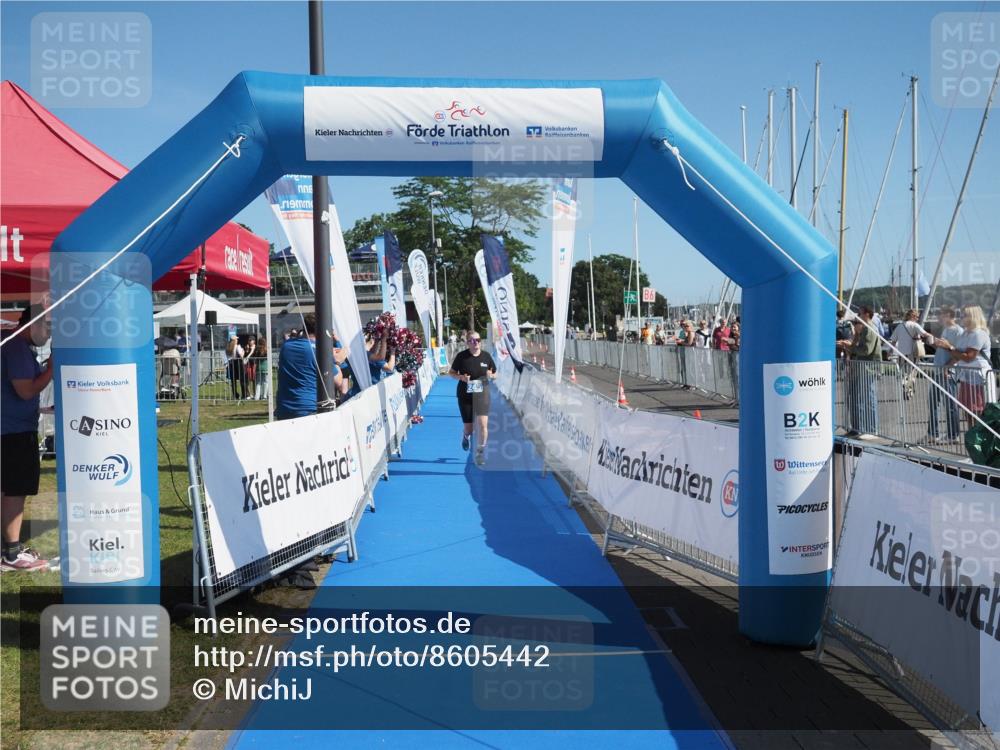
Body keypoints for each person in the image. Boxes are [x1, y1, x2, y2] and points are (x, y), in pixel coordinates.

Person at [1, 306, 52, 572]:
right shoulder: (17, 347)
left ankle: (9, 550)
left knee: (8, 490)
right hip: (14, 433)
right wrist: (52, 368)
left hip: (9, 430)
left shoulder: (11, 344)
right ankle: (11, 554)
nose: (49, 334)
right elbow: (25, 390)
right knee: (14, 491)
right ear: (33, 324)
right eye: (47, 327)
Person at [275, 313, 343, 420]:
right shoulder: (319, 351)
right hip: (308, 410)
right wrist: (336, 361)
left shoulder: (286, 346)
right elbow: (338, 381)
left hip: (284, 409)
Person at [936, 305, 995, 422]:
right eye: (961, 314)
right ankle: (971, 438)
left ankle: (978, 438)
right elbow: (958, 355)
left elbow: (968, 357)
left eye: (964, 315)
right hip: (968, 377)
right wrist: (948, 366)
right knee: (968, 410)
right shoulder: (966, 333)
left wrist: (949, 347)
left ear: (973, 317)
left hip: (979, 378)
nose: (961, 317)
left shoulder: (979, 334)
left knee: (978, 410)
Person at [449, 331, 497, 465]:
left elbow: (495, 373)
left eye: (478, 339)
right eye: (472, 340)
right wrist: (461, 378)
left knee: (483, 425)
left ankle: (480, 452)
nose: (475, 342)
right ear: (467, 343)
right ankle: (465, 436)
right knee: (470, 428)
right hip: (465, 395)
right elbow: (451, 373)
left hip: (482, 395)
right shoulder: (461, 357)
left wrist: (491, 375)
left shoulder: (486, 356)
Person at [836, 306, 881, 439]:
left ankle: (872, 430)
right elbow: (858, 347)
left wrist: (849, 346)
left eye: (860, 314)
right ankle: (856, 428)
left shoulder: (870, 328)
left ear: (867, 314)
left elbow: (866, 350)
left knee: (868, 398)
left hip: (868, 368)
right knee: (855, 397)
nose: (857, 317)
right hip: (859, 367)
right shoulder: (862, 330)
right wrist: (853, 339)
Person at [927, 307, 963, 443]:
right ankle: (932, 434)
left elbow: (958, 353)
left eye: (940, 315)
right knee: (932, 403)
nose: (938, 317)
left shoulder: (958, 331)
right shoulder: (946, 330)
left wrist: (948, 367)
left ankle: (953, 435)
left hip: (948, 372)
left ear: (948, 315)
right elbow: (945, 349)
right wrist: (934, 344)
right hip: (938, 370)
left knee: (950, 405)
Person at [226, 333, 247, 400]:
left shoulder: (228, 348)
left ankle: (235, 394)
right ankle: (244, 394)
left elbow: (228, 357)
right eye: (236, 339)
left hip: (231, 363)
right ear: (235, 340)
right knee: (242, 379)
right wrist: (243, 351)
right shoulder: (237, 347)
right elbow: (241, 355)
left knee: (233, 380)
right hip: (238, 363)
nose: (237, 340)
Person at [252, 336, 270, 402]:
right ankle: (264, 396)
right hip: (266, 367)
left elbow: (253, 357)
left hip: (258, 368)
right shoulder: (267, 349)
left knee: (258, 383)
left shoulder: (256, 349)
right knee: (266, 382)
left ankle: (257, 396)